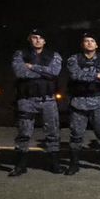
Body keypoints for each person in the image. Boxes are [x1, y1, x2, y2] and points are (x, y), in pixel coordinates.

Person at [8, 28, 63, 176]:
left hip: (48, 100)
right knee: (24, 132)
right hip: (26, 100)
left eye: (40, 38)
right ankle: (20, 165)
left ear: (45, 41)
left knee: (52, 132)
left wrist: (32, 67)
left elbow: (54, 72)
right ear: (30, 39)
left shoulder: (53, 55)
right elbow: (20, 72)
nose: (37, 40)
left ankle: (55, 164)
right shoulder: (20, 54)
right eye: (34, 37)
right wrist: (44, 72)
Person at [65, 32, 100, 175]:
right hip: (78, 103)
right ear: (82, 44)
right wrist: (96, 75)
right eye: (86, 41)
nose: (89, 43)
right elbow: (75, 75)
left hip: (98, 102)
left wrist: (89, 76)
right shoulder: (73, 59)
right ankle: (74, 164)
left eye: (92, 41)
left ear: (96, 44)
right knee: (76, 134)